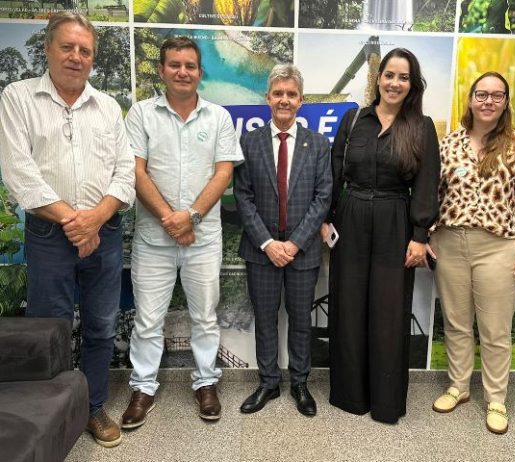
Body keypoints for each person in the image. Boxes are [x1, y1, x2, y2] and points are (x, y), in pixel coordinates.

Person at [0, 12, 135, 447]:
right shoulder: (18, 98)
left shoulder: (108, 107)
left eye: (85, 50)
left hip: (104, 233)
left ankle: (93, 408)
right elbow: (20, 173)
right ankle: (53, 416)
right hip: (48, 237)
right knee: (51, 331)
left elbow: (125, 173)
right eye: (67, 47)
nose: (76, 57)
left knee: (101, 326)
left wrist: (95, 219)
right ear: (48, 49)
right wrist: (75, 223)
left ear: (92, 57)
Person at [121, 36, 243, 428]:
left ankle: (206, 382)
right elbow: (136, 171)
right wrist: (170, 219)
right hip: (153, 240)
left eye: (190, 65)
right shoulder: (141, 114)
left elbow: (223, 173)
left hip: (202, 239)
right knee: (147, 320)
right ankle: (143, 388)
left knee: (204, 317)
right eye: (174, 64)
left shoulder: (218, 118)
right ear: (161, 70)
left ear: (200, 72)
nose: (182, 72)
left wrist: (190, 216)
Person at [324, 48, 440, 424]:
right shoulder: (353, 119)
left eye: (403, 77)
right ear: (378, 79)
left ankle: (386, 402)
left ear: (412, 84)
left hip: (395, 221)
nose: (394, 83)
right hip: (351, 218)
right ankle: (350, 396)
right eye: (389, 75)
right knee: (349, 306)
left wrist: (420, 235)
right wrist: (326, 219)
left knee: (389, 313)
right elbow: (335, 173)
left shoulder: (421, 127)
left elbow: (427, 184)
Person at [430, 72, 515, 434]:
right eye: (482, 94)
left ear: (506, 103)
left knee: (495, 329)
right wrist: (429, 234)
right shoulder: (449, 144)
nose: (488, 101)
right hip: (450, 243)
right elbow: (435, 194)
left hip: (498, 247)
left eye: (497, 95)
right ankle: (458, 387)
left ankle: (496, 399)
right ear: (471, 99)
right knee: (456, 323)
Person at [234, 64, 332, 416]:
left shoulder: (317, 144)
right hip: (261, 251)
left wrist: (294, 243)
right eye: (278, 93)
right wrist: (268, 243)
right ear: (268, 98)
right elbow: (243, 196)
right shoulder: (250, 142)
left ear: (301, 100)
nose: (284, 100)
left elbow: (323, 197)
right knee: (265, 318)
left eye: (291, 94)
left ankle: (300, 383)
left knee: (301, 320)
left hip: (302, 252)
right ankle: (268, 382)